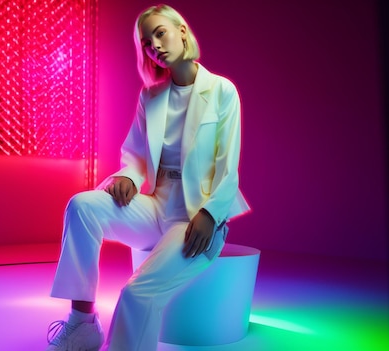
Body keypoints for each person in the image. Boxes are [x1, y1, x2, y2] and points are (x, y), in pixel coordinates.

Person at [43, 4, 251, 351]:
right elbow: (136, 156)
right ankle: (81, 324)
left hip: (195, 216)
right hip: (155, 206)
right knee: (82, 205)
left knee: (136, 291)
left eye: (160, 33)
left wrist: (211, 215)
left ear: (182, 31)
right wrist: (128, 177)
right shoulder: (150, 97)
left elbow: (228, 169)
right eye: (146, 42)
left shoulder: (221, 91)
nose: (154, 45)